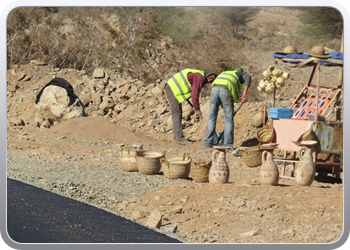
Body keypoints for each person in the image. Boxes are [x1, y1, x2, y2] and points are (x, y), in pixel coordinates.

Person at [165, 69, 217, 144]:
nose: (210, 80)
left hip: (173, 87)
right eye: (211, 77)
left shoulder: (199, 76)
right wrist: (197, 109)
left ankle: (178, 137)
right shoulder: (199, 77)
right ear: (208, 74)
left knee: (177, 112)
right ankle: (179, 138)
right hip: (172, 88)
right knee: (177, 113)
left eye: (212, 80)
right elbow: (195, 93)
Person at [204, 67, 251, 148]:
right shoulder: (239, 73)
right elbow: (248, 77)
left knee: (212, 116)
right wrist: (244, 94)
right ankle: (228, 145)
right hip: (225, 89)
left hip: (214, 88)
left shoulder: (226, 73)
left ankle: (208, 143)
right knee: (229, 118)